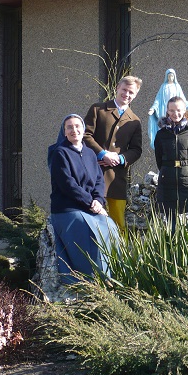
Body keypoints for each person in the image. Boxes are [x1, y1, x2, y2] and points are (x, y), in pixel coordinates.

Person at [48, 114, 119, 283]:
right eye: (69, 127)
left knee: (110, 226)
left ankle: (112, 277)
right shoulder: (60, 153)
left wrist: (98, 201)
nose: (74, 130)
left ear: (83, 129)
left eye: (77, 126)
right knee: (86, 230)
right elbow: (67, 184)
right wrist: (90, 202)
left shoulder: (90, 153)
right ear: (64, 132)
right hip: (68, 208)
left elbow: (99, 180)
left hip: (90, 207)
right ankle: (89, 279)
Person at [83, 75, 143, 232]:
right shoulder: (98, 109)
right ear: (117, 88)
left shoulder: (135, 121)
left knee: (118, 226)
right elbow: (85, 135)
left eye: (131, 92)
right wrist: (102, 154)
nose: (127, 94)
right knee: (92, 221)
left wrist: (120, 158)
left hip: (117, 179)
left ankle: (118, 250)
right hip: (93, 174)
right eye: (124, 90)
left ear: (135, 95)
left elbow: (136, 150)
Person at [154, 97, 188, 227]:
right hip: (168, 182)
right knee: (171, 226)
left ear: (184, 110)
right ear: (167, 111)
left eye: (178, 110)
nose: (175, 114)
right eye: (172, 110)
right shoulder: (161, 134)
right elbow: (159, 159)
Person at [148, 68, 188, 149]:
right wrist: (153, 108)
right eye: (169, 76)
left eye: (172, 76)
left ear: (174, 77)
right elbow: (158, 99)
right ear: (166, 77)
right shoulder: (163, 86)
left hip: (176, 110)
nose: (170, 77)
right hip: (165, 110)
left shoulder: (177, 86)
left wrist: (187, 106)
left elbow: (182, 99)